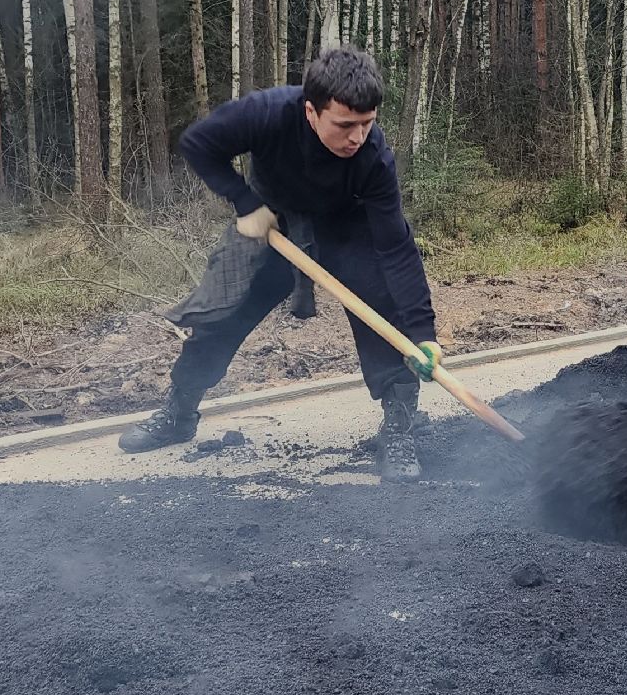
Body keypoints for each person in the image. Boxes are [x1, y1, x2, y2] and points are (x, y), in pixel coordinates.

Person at [118, 46, 444, 483]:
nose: (357, 137)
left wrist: (423, 335)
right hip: (271, 223)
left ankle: (399, 432)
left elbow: (395, 247)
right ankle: (179, 413)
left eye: (367, 124)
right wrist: (245, 201)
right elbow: (199, 143)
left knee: (388, 315)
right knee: (222, 315)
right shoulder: (267, 113)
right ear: (311, 112)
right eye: (345, 125)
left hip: (347, 231)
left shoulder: (374, 158)